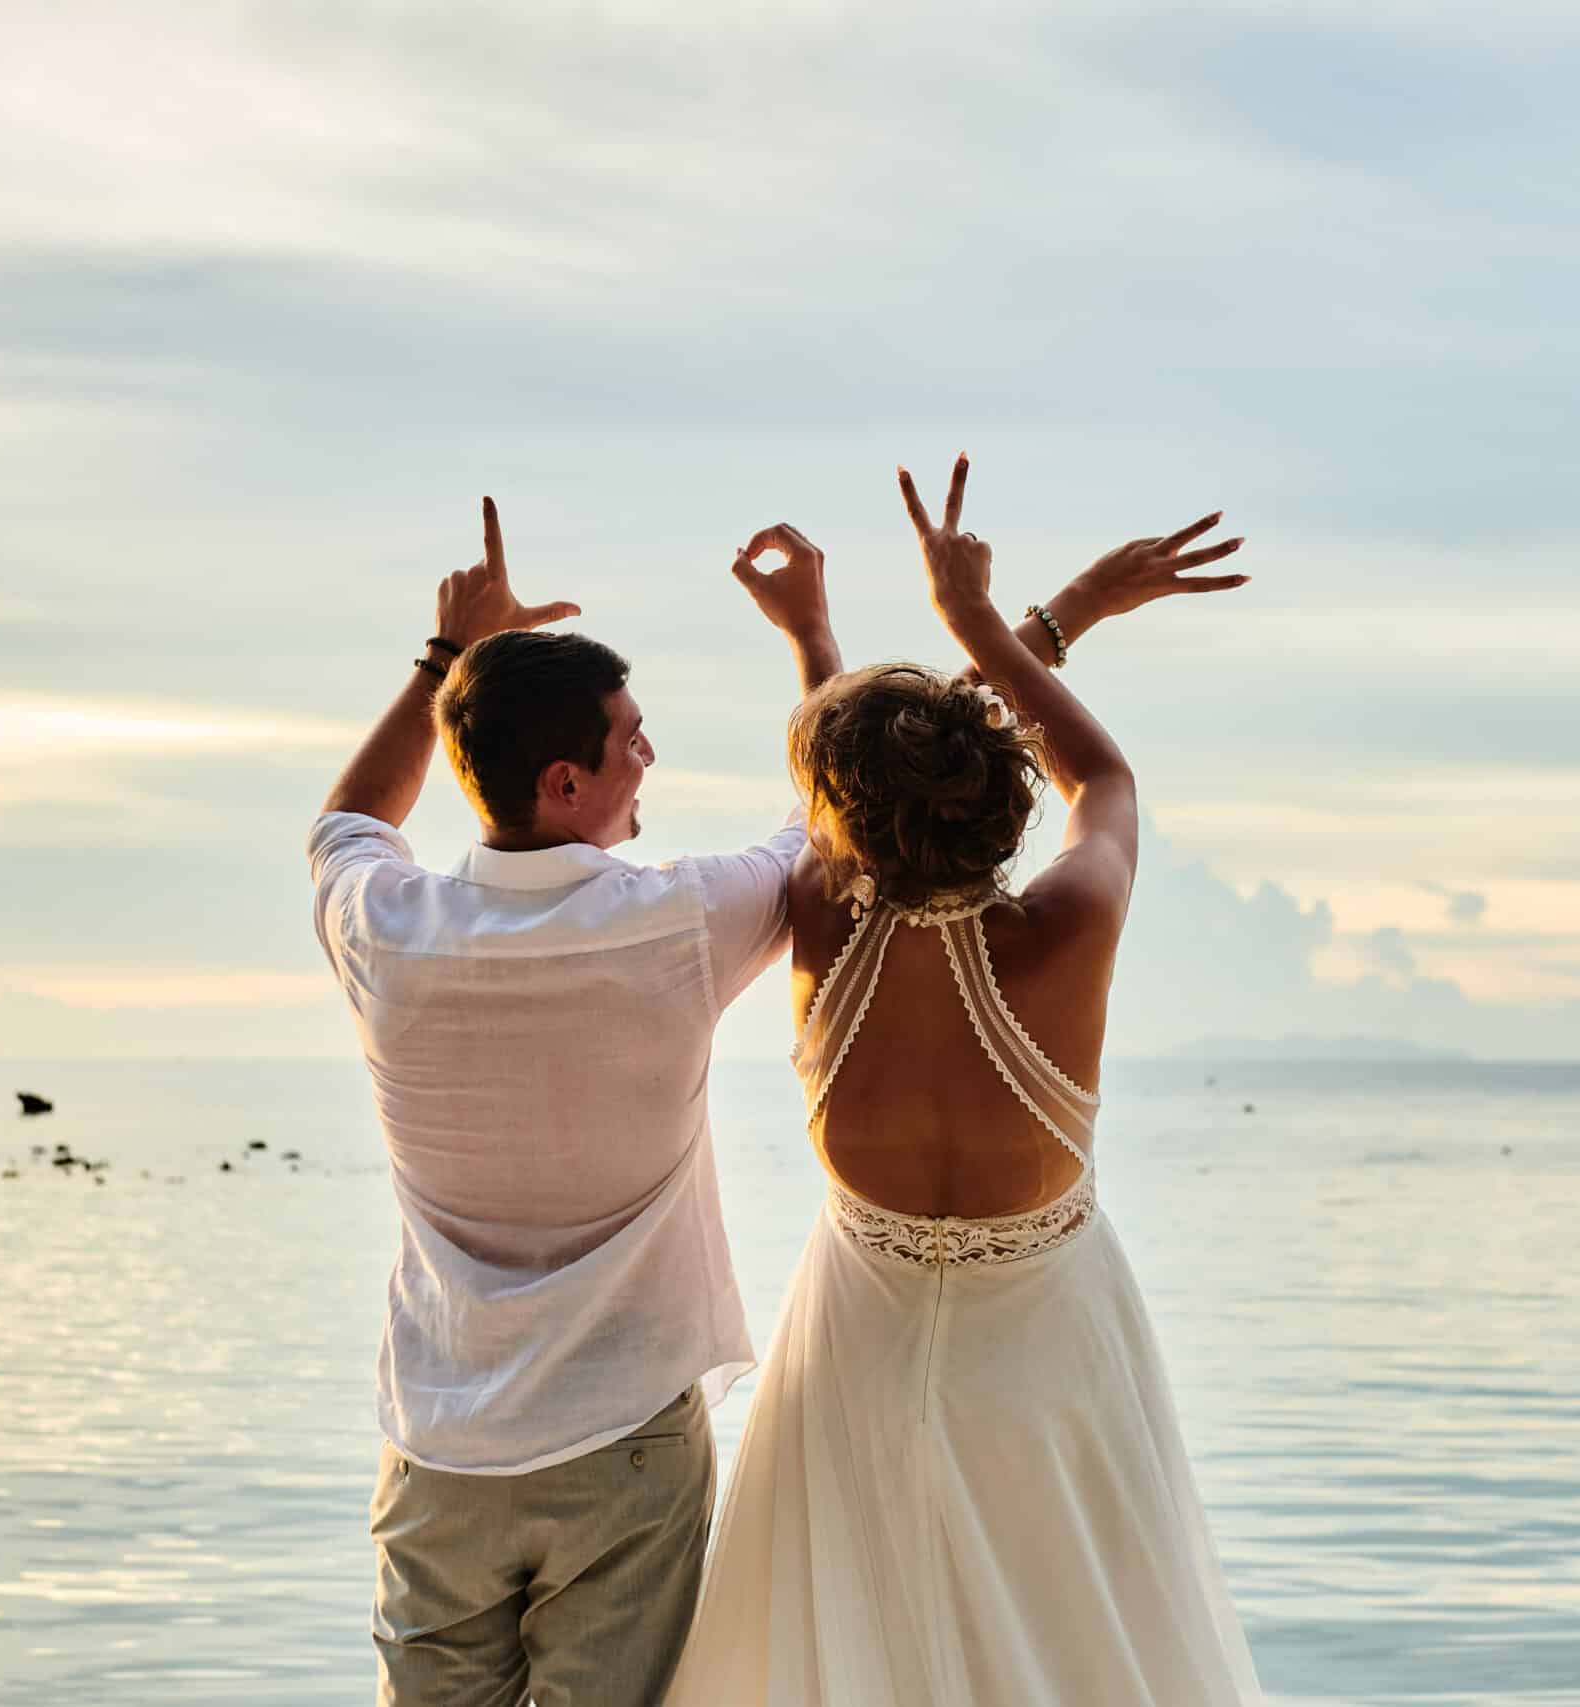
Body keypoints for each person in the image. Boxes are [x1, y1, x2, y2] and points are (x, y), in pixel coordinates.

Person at [309, 488, 1237, 1707]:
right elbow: (1028, 778)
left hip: (460, 1437)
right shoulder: (701, 918)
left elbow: (349, 821)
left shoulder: (392, 926)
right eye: (631, 740)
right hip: (668, 1432)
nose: (649, 755)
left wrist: (449, 659)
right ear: (567, 779)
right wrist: (990, 621)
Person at [662, 456, 1266, 1706]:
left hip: (855, 1358)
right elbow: (1101, 781)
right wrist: (989, 620)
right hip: (1046, 1367)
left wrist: (815, 635)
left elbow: (855, 783)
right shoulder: (1065, 934)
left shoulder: (821, 919)